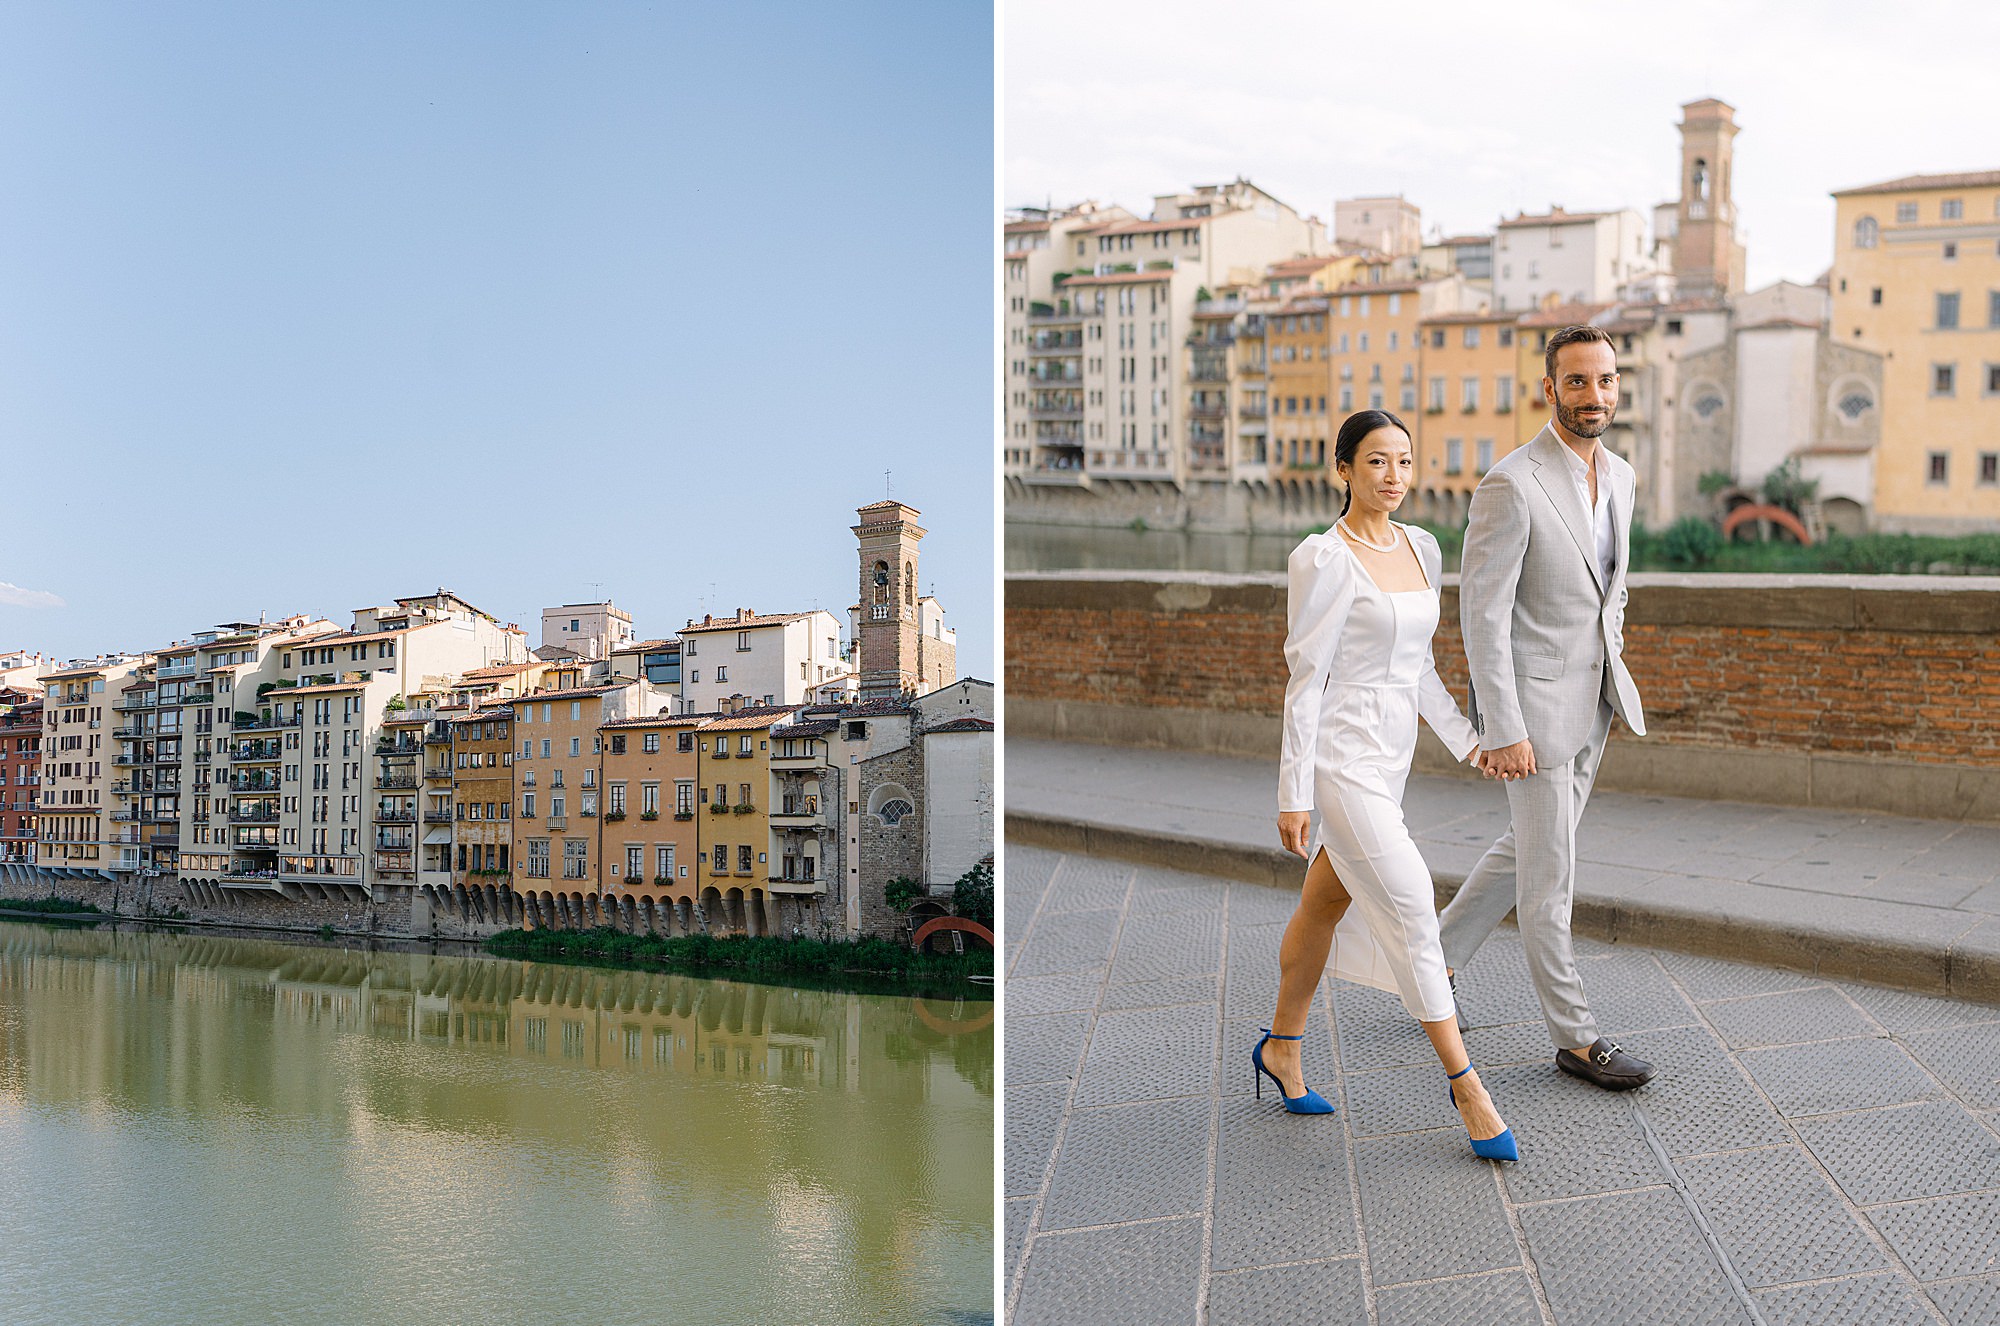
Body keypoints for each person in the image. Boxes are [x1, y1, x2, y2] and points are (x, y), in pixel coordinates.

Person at [1256, 409, 1516, 1162]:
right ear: (1343, 471)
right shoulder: (1325, 559)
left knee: (1325, 900)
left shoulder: (1423, 548)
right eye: (1376, 462)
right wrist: (1293, 791)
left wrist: (1473, 744)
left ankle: (1282, 1046)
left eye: (1404, 461)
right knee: (1411, 904)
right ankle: (1466, 1084)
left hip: (1391, 751)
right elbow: (1305, 681)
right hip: (1340, 756)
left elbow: (1421, 669)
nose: (1394, 476)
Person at [1437, 324, 1655, 1090]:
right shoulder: (1512, 482)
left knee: (1531, 849)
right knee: (1549, 878)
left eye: (1606, 381)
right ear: (1549, 388)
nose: (1594, 396)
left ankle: (1432, 965)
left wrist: (1613, 660)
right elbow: (1483, 616)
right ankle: (1576, 1037)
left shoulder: (1621, 475)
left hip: (1594, 702)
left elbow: (1610, 591)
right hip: (1532, 714)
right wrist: (1505, 727)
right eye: (1577, 382)